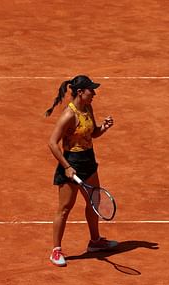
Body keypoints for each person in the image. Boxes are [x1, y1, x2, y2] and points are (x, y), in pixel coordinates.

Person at [45, 75, 118, 266]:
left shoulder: (87, 108)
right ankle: (56, 251)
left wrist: (103, 128)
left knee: (94, 202)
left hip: (88, 161)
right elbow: (52, 143)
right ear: (80, 92)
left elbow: (92, 132)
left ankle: (95, 242)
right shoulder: (69, 115)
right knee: (65, 208)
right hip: (72, 162)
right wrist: (67, 167)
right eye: (90, 90)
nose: (94, 93)